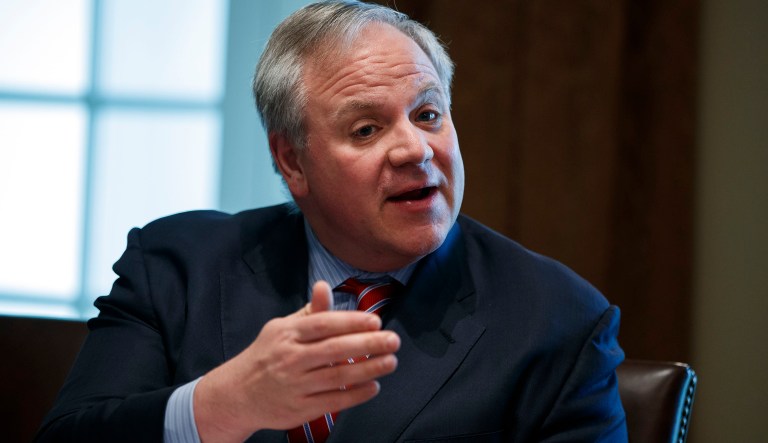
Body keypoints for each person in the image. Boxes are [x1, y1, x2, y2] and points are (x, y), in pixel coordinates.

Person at [36, 1, 627, 442]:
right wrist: (222, 405)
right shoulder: (177, 264)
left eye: (428, 114)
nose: (414, 150)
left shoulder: (559, 320)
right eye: (366, 129)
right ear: (292, 160)